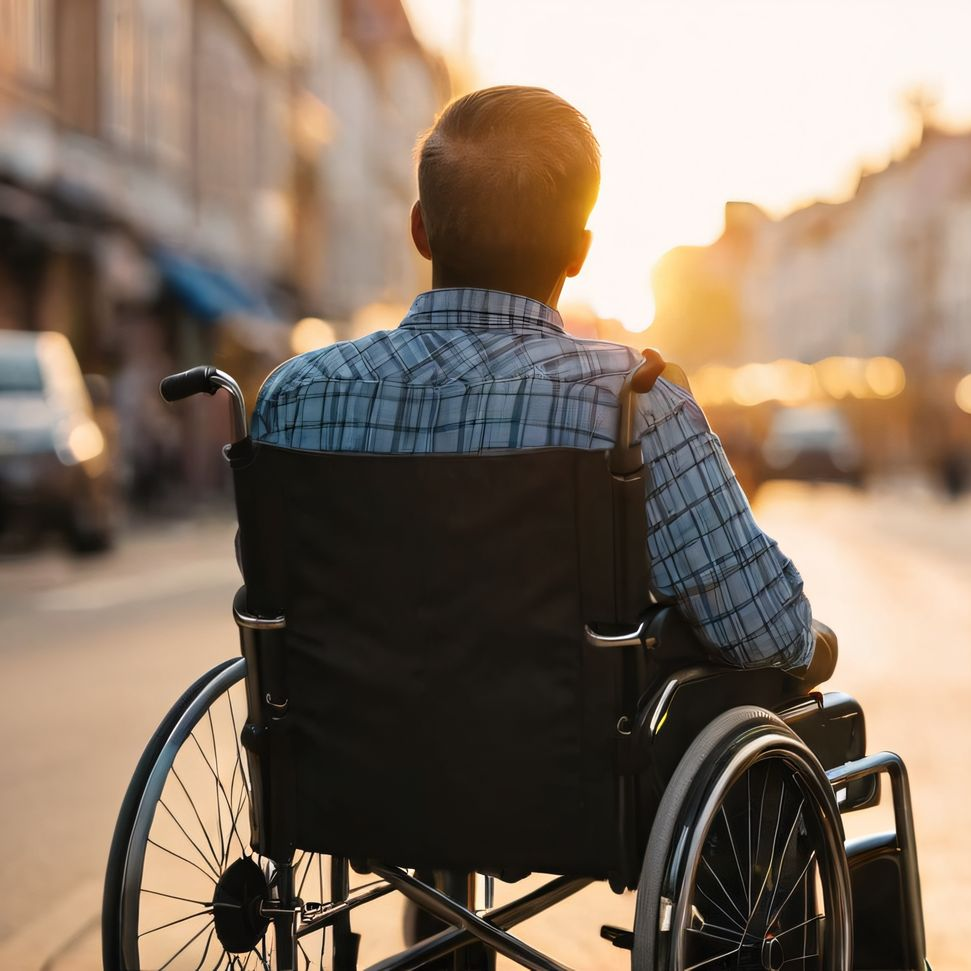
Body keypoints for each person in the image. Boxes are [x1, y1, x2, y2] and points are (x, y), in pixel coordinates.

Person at [252, 84, 835, 687]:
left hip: (343, 761)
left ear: (420, 231)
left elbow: (273, 600)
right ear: (579, 253)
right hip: (560, 766)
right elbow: (770, 635)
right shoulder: (630, 405)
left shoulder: (295, 397)